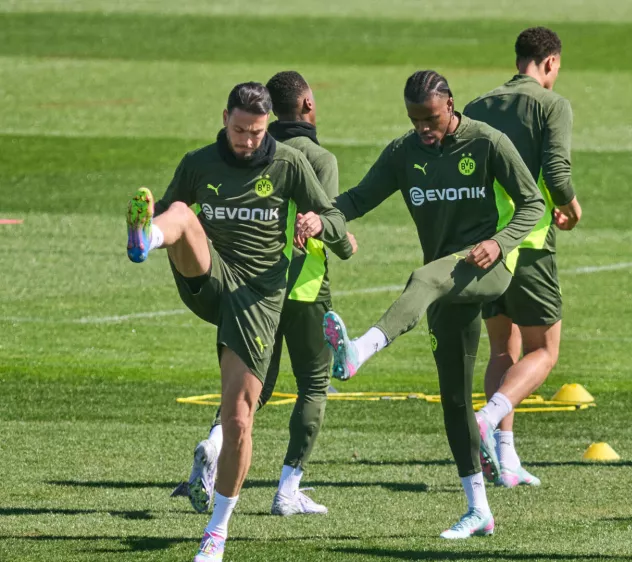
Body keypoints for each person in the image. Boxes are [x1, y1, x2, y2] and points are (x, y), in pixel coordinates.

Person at [124, 82, 354, 562]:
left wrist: (317, 225)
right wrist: (157, 222)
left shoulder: (288, 163)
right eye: (239, 130)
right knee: (181, 214)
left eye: (255, 132)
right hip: (211, 276)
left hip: (258, 298)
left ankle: (217, 531)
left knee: (238, 419)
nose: (247, 140)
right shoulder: (198, 162)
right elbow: (170, 203)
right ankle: (145, 240)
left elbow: (332, 216)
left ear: (268, 124)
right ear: (224, 116)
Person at [322, 70, 544, 538]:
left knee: (422, 276)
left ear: (450, 105)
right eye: (415, 119)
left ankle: (360, 349)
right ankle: (478, 509)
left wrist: (501, 244)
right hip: (445, 286)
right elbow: (358, 198)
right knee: (455, 398)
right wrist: (322, 220)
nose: (424, 127)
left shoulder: (488, 142)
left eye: (431, 117)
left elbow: (533, 204)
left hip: (487, 269)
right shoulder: (405, 154)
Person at [183, 71, 349, 519]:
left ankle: (214, 446)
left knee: (253, 388)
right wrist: (346, 241)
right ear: (309, 105)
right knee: (314, 385)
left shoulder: (251, 157)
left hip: (249, 294)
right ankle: (287, 489)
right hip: (304, 288)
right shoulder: (316, 158)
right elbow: (326, 220)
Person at [463, 26, 582, 487]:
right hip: (528, 242)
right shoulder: (551, 105)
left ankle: (506, 460)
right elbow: (556, 170)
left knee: (501, 348)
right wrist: (571, 206)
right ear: (550, 63)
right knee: (544, 350)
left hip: (486, 245)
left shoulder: (476, 107)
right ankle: (487, 420)